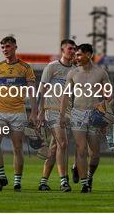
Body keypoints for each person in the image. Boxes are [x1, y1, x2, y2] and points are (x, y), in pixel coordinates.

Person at [0, 36, 37, 192]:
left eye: (8, 47)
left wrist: (34, 112)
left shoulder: (25, 67)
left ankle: (17, 181)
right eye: (3, 47)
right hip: (0, 112)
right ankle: (2, 177)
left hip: (18, 113)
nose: (5, 50)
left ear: (15, 47)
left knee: (17, 147)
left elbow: (32, 91)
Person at [59, 43, 113, 193]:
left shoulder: (101, 73)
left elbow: (109, 96)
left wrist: (105, 113)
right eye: (75, 54)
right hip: (77, 114)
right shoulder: (73, 73)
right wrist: (62, 115)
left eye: (79, 54)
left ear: (88, 55)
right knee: (81, 149)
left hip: (95, 116)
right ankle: (84, 184)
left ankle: (89, 176)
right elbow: (65, 96)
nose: (76, 57)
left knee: (94, 153)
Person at [37, 39, 76, 192]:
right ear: (62, 50)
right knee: (63, 143)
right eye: (70, 49)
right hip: (52, 110)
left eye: (74, 49)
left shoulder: (75, 70)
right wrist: (40, 112)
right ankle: (63, 181)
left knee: (54, 147)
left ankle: (43, 181)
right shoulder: (52, 67)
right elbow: (42, 90)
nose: (72, 51)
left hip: (67, 112)